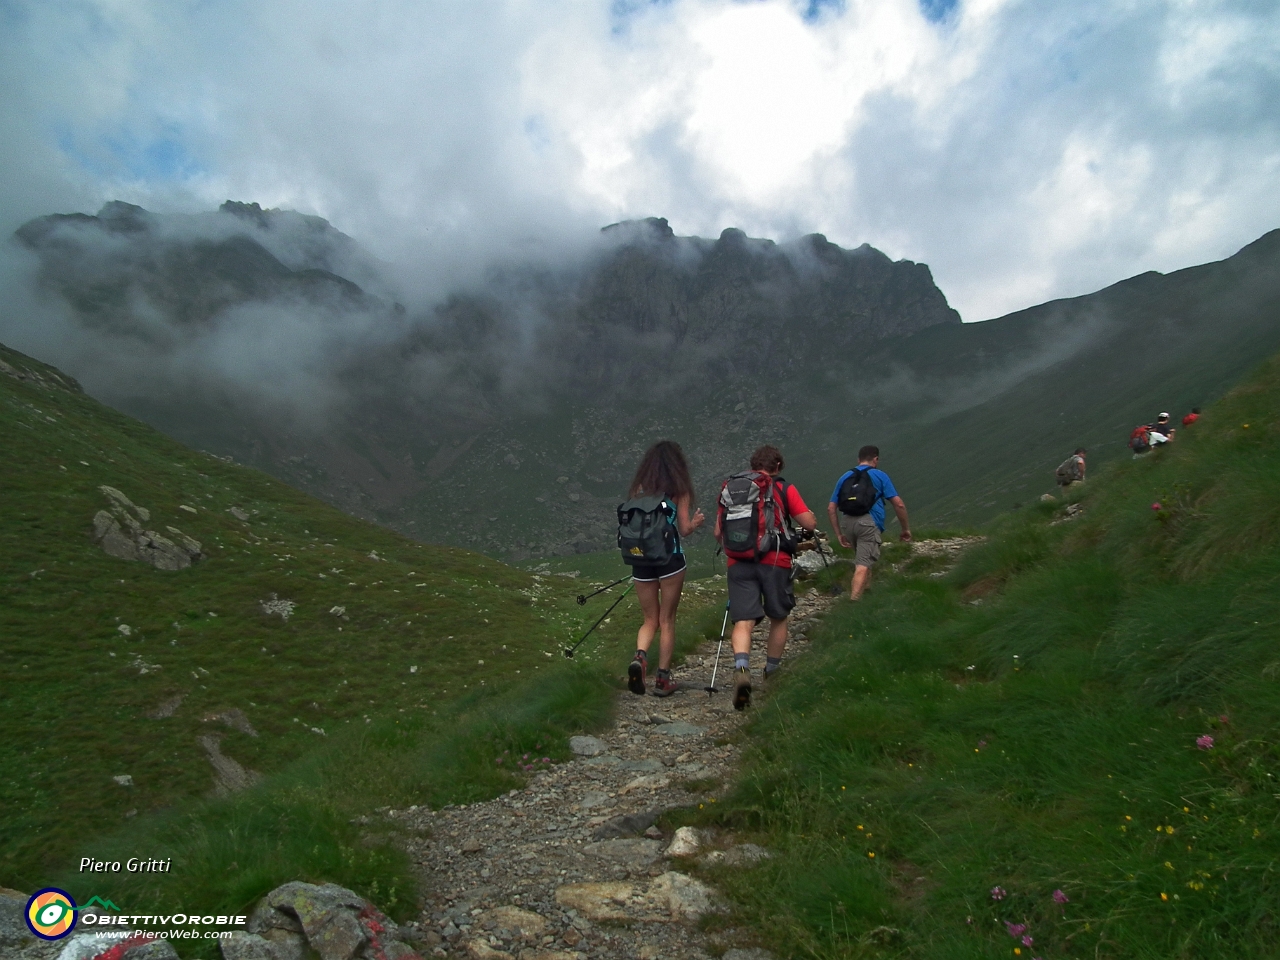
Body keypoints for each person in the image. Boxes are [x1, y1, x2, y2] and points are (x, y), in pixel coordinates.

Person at [714, 445, 816, 710]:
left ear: (752, 464)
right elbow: (809, 523)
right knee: (778, 617)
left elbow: (718, 532)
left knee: (743, 620)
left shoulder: (732, 488)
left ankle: (742, 668)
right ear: (778, 466)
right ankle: (772, 672)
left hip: (738, 562)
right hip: (775, 561)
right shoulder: (783, 488)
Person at [625, 441, 704, 697]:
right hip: (670, 560)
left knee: (649, 619)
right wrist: (695, 522)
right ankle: (662, 680)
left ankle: (640, 657)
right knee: (666, 620)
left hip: (640, 560)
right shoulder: (679, 490)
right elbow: (683, 530)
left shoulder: (639, 489)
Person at [827, 445, 911, 602]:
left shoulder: (845, 476)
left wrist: (839, 534)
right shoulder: (879, 475)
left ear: (858, 460)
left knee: (864, 558)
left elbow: (831, 508)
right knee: (862, 565)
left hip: (847, 523)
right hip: (868, 523)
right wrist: (905, 529)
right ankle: (854, 603)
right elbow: (898, 504)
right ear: (876, 459)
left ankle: (867, 595)